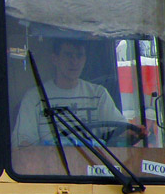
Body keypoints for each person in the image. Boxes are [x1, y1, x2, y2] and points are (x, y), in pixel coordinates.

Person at [13, 38, 144, 146]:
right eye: (68, 55)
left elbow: (119, 130)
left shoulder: (98, 94)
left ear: (85, 60)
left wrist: (133, 133)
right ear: (55, 59)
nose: (74, 61)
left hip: (93, 166)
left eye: (79, 56)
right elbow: (23, 142)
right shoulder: (35, 98)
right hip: (50, 171)